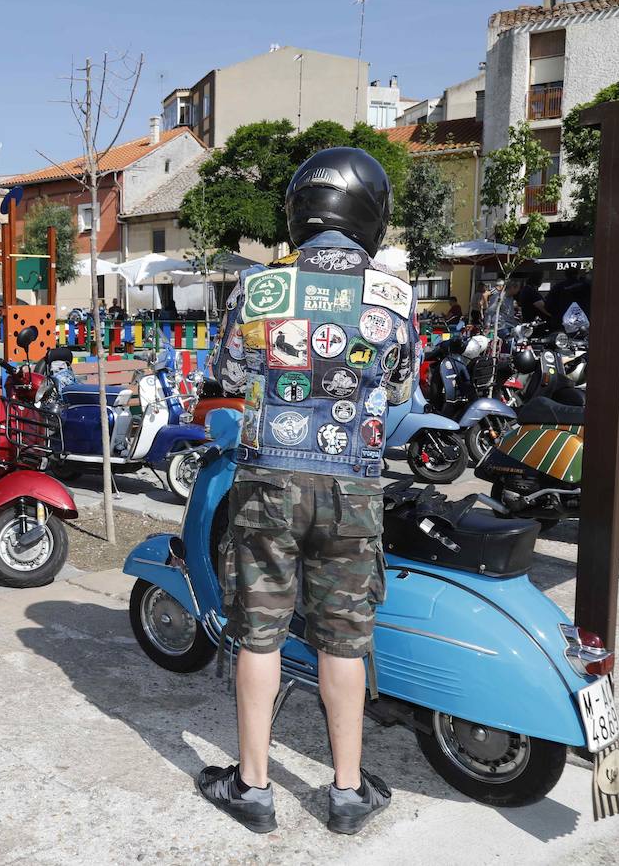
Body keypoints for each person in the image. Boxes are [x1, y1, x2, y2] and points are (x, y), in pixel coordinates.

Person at [201, 148, 409, 836]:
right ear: (370, 212)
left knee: (258, 637)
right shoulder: (394, 295)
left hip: (269, 483)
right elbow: (404, 386)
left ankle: (252, 787)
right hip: (353, 488)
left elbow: (227, 370)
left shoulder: (258, 288)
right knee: (345, 641)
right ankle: (348, 794)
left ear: (300, 209)